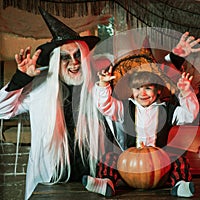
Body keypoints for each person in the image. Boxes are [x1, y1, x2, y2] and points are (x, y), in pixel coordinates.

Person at [0, 7, 107, 200]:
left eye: (77, 55)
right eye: (66, 57)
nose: (74, 62)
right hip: (52, 181)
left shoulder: (99, 87)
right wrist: (21, 78)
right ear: (56, 61)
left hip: (91, 179)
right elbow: (3, 110)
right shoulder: (39, 90)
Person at [83, 59, 199, 197]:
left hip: (159, 165)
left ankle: (180, 185)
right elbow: (105, 106)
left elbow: (190, 115)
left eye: (148, 88)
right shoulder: (124, 108)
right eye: (137, 88)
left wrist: (186, 93)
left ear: (158, 90)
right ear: (132, 90)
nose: (142, 93)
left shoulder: (167, 110)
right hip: (130, 165)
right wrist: (103, 84)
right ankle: (106, 182)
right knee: (110, 157)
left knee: (178, 158)